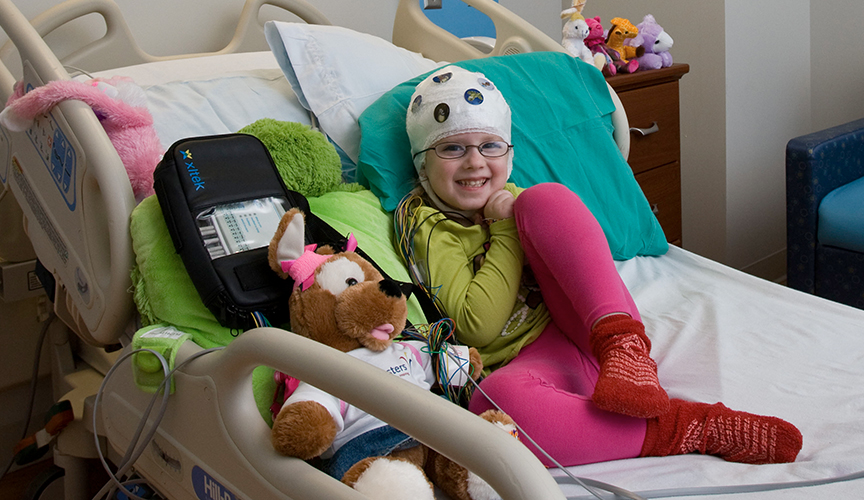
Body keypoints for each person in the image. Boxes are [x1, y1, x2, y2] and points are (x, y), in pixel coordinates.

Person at [395, 66, 802, 467]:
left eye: (491, 145)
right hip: (536, 367)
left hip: (595, 335)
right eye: (451, 148)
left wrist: (514, 215)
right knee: (494, 409)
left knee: (546, 200)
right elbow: (475, 325)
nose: (475, 162)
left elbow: (584, 261)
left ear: (510, 153)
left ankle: (625, 347)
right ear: (421, 164)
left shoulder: (518, 200)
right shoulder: (431, 227)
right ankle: (689, 427)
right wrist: (502, 229)